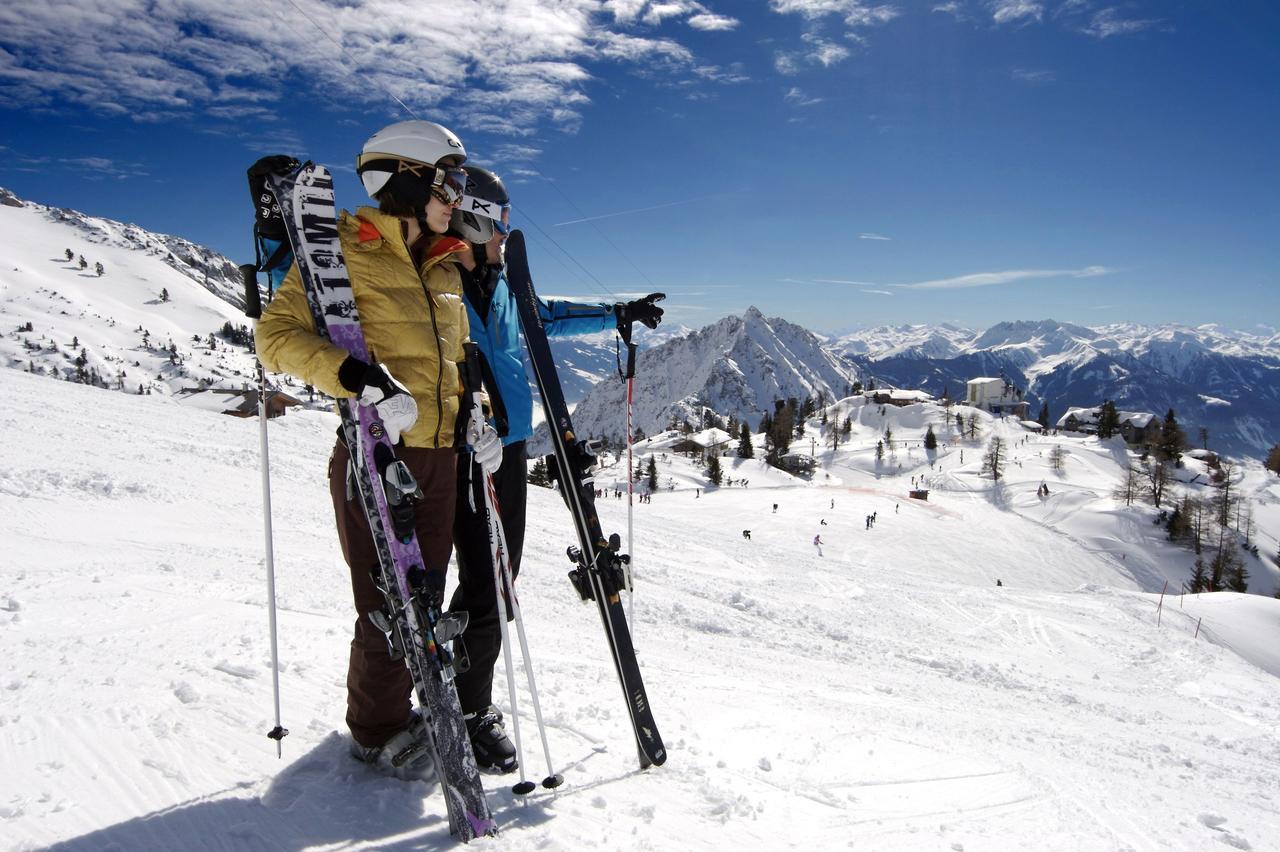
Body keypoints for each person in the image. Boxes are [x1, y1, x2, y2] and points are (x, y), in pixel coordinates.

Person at [255, 119, 502, 776]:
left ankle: (408, 705)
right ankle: (375, 729)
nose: (458, 195)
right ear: (406, 180)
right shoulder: (344, 250)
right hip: (377, 455)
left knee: (427, 595)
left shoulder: (446, 266)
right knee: (386, 604)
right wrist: (357, 378)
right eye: (447, 180)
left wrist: (475, 419)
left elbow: (452, 364)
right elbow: (275, 338)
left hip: (444, 460)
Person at [444, 165, 664, 773]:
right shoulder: (440, 288)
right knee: (488, 582)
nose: (506, 231)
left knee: (496, 579)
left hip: (509, 449)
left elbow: (551, 319)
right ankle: (467, 710)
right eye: (501, 221)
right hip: (463, 454)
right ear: (474, 218)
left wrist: (616, 313)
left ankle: (454, 683)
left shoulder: (503, 287)